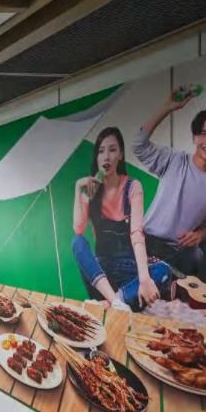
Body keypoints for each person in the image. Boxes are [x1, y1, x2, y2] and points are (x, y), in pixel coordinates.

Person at [132, 90, 206, 275]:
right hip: (149, 241)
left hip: (179, 251)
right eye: (203, 133)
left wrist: (199, 235)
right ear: (194, 138)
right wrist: (167, 107)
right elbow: (138, 145)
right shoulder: (174, 160)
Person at [72, 127, 172, 311]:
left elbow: (137, 234)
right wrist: (78, 189)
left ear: (121, 154)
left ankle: (112, 302)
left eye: (112, 150)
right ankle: (117, 301)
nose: (106, 157)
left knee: (163, 271)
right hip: (102, 273)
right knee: (77, 242)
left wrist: (144, 279)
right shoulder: (92, 191)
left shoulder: (133, 187)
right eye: (101, 151)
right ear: (97, 157)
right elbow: (78, 229)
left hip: (129, 268)